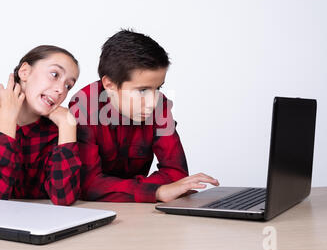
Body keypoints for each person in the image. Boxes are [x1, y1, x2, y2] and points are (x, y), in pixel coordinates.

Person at [69, 30, 219, 203]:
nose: (152, 102)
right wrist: (157, 192)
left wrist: (132, 190)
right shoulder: (84, 107)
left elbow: (176, 173)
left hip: (140, 212)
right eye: (142, 90)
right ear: (109, 85)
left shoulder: (159, 105)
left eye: (158, 88)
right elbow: (89, 185)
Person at [0, 45, 81, 205]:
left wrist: (67, 125)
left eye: (68, 86)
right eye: (54, 74)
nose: (60, 90)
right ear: (25, 72)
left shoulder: (56, 133)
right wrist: (7, 119)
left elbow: (64, 198)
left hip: (36, 225)